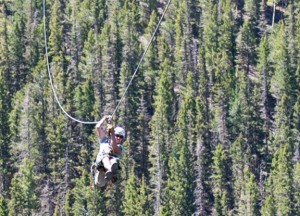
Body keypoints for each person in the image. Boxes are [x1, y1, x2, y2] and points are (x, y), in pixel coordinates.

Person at [91, 115, 125, 186]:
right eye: (117, 135)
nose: (118, 138)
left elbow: (114, 146)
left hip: (112, 160)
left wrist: (112, 133)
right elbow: (97, 127)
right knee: (105, 157)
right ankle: (110, 171)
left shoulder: (121, 148)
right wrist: (104, 118)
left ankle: (110, 170)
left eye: (120, 137)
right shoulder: (104, 140)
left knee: (114, 160)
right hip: (101, 161)